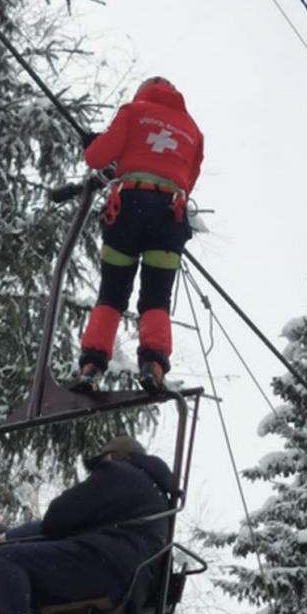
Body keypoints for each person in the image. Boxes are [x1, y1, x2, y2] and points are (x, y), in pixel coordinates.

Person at [0, 436, 175, 614]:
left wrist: (6, 540)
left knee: (8, 558)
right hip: (131, 588)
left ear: (112, 457)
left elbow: (57, 518)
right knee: (24, 582)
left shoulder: (119, 474)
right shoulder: (156, 497)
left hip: (103, 567)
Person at [75, 76, 205, 393]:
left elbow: (96, 158)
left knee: (112, 293)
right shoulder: (193, 131)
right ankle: (154, 365)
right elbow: (188, 178)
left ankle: (91, 367)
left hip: (128, 209)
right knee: (157, 297)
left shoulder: (133, 112)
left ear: (143, 92)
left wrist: (95, 143)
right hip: (169, 214)